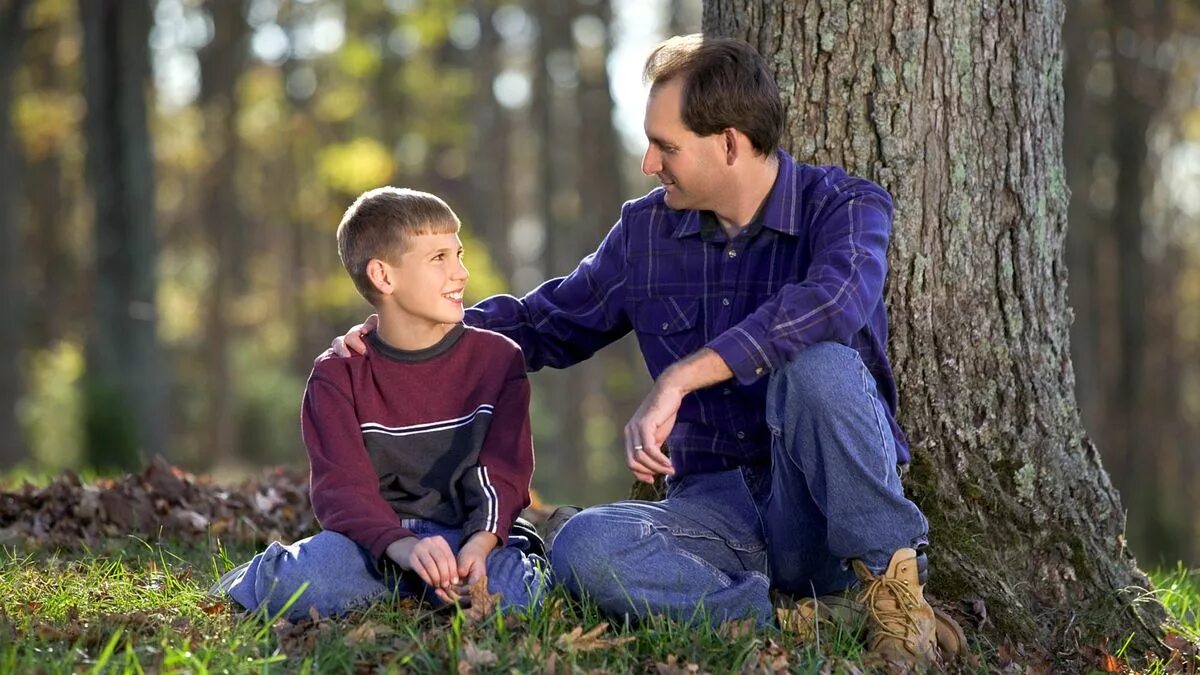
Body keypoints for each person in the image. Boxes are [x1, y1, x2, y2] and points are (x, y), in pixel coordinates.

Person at [328, 36, 962, 667]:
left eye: (666, 146)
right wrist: (405, 329)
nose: (648, 163)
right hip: (713, 518)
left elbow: (834, 303)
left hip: (826, 515)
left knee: (819, 365)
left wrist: (682, 378)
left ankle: (892, 596)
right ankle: (793, 620)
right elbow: (544, 322)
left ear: (730, 143)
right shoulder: (646, 232)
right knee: (584, 545)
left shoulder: (846, 207)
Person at [215, 187, 548, 621]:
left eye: (459, 253)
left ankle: (436, 584)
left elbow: (503, 473)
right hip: (377, 545)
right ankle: (266, 575)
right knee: (301, 586)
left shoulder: (499, 360)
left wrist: (479, 544)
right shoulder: (338, 375)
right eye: (439, 258)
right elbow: (343, 491)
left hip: (472, 537)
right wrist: (404, 548)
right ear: (384, 277)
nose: (462, 273)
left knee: (515, 597)